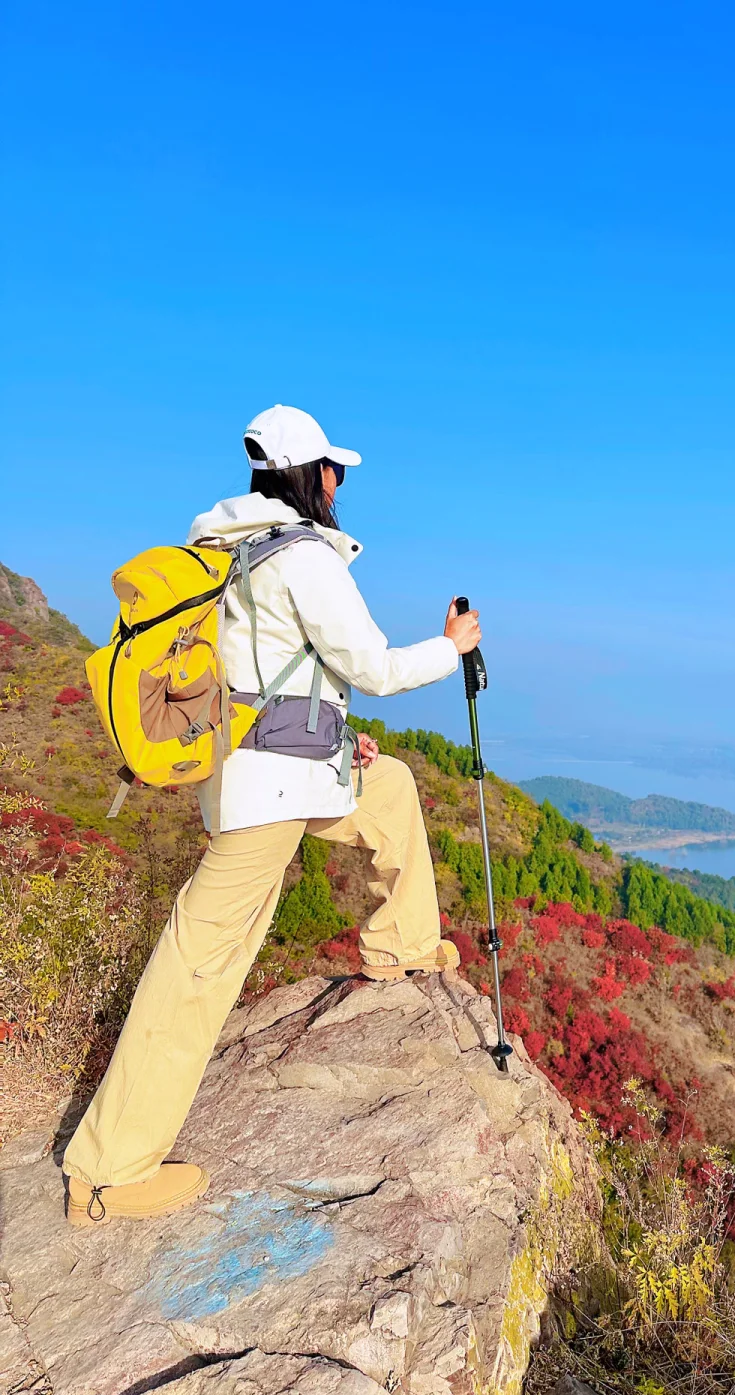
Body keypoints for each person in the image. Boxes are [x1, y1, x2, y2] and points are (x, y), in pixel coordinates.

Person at [62, 404, 480, 1227]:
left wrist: (340, 741)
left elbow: (271, 682)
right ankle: (107, 1174)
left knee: (388, 788)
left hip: (262, 775)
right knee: (196, 968)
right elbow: (376, 667)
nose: (342, 484)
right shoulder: (303, 560)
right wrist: (453, 646)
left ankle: (398, 946)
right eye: (337, 471)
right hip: (272, 796)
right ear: (312, 475)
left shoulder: (224, 551)